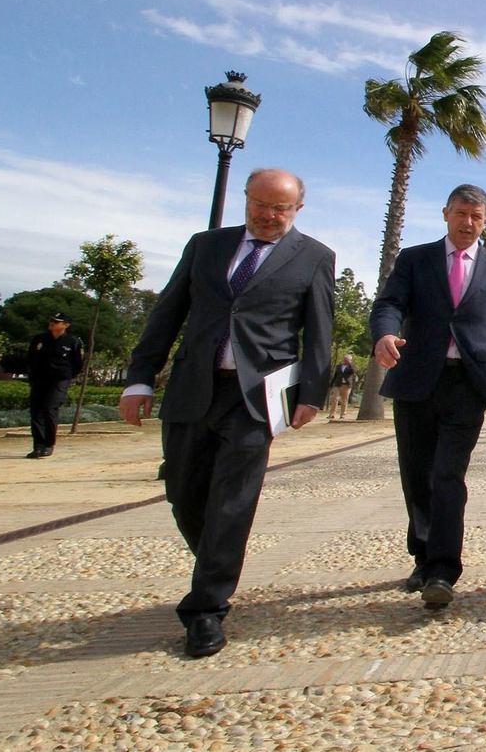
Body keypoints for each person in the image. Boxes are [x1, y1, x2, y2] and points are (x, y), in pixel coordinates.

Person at [119, 167, 334, 658]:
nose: (268, 214)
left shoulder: (315, 257)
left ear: (298, 209)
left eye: (280, 207)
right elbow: (167, 313)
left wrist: (311, 394)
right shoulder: (206, 246)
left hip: (255, 397)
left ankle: (207, 608)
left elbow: (318, 332)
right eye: (260, 204)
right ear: (246, 200)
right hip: (193, 387)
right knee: (183, 491)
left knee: (232, 501)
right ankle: (217, 561)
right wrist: (139, 377)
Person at [370, 183, 486, 610]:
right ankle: (422, 554)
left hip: (467, 384)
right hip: (416, 380)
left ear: (485, 220)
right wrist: (383, 333)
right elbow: (389, 304)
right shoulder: (415, 259)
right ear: (445, 214)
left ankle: (442, 569)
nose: (468, 222)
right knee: (417, 474)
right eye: (461, 213)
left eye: (476, 216)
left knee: (447, 475)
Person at [24, 311, 84, 458]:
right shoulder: (40, 339)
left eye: (56, 321)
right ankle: (38, 446)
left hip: (59, 380)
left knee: (50, 408)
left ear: (65, 325)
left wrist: (69, 377)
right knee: (36, 411)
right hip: (39, 379)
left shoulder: (73, 341)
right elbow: (30, 359)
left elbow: (78, 363)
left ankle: (48, 444)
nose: (52, 323)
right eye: (51, 320)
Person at [328, 355, 358, 419]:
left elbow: (354, 372)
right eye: (344, 359)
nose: (345, 360)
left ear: (350, 360)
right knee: (334, 399)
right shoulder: (339, 366)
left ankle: (343, 414)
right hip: (338, 384)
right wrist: (330, 385)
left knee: (344, 400)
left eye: (347, 359)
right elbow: (335, 376)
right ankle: (332, 413)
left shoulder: (351, 366)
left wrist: (350, 364)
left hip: (346, 385)